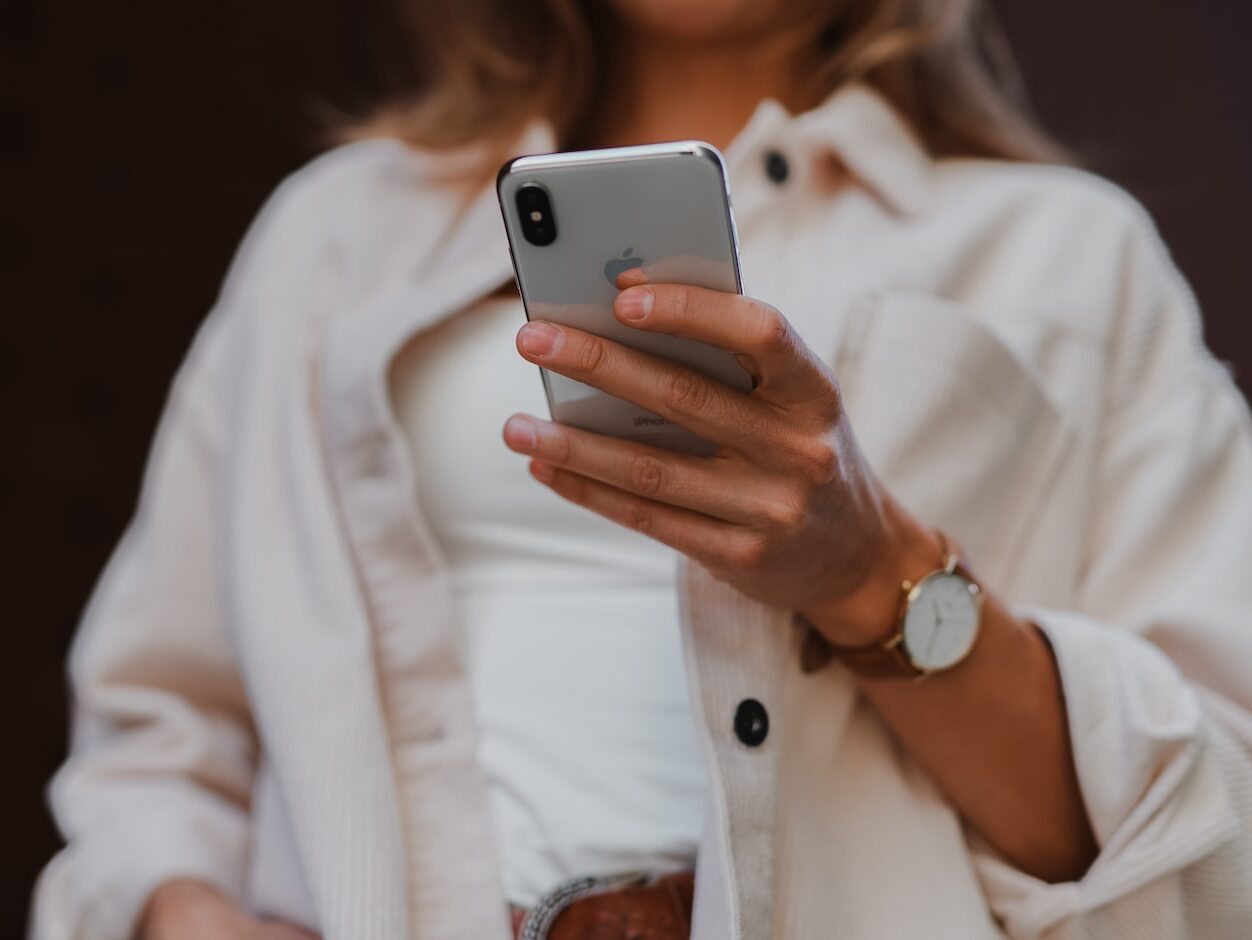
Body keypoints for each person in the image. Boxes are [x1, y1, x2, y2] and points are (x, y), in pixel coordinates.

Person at [29, 1, 1252, 938]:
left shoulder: (1064, 254)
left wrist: (869, 570)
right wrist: (187, 915)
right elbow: (156, 728)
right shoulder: (333, 237)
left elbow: (1214, 828)